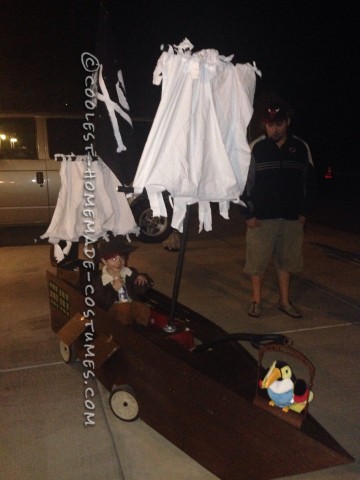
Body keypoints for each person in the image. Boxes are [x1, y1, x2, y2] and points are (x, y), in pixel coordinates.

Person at [241, 101, 316, 318]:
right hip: (262, 219)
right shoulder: (256, 147)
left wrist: (304, 212)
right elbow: (244, 183)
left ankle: (284, 302)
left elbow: (310, 182)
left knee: (286, 262)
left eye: (279, 124)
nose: (274, 129)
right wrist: (248, 213)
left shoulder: (301, 147)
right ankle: (256, 301)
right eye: (270, 124)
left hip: (292, 218)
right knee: (257, 263)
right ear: (265, 125)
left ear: (288, 122)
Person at [93, 237, 154, 326]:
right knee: (124, 308)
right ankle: (121, 333)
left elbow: (140, 291)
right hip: (113, 311)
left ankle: (139, 332)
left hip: (131, 304)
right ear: (104, 261)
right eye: (113, 259)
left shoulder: (129, 272)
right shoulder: (99, 280)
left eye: (121, 258)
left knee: (143, 310)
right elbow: (100, 302)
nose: (118, 263)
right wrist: (113, 289)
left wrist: (142, 278)